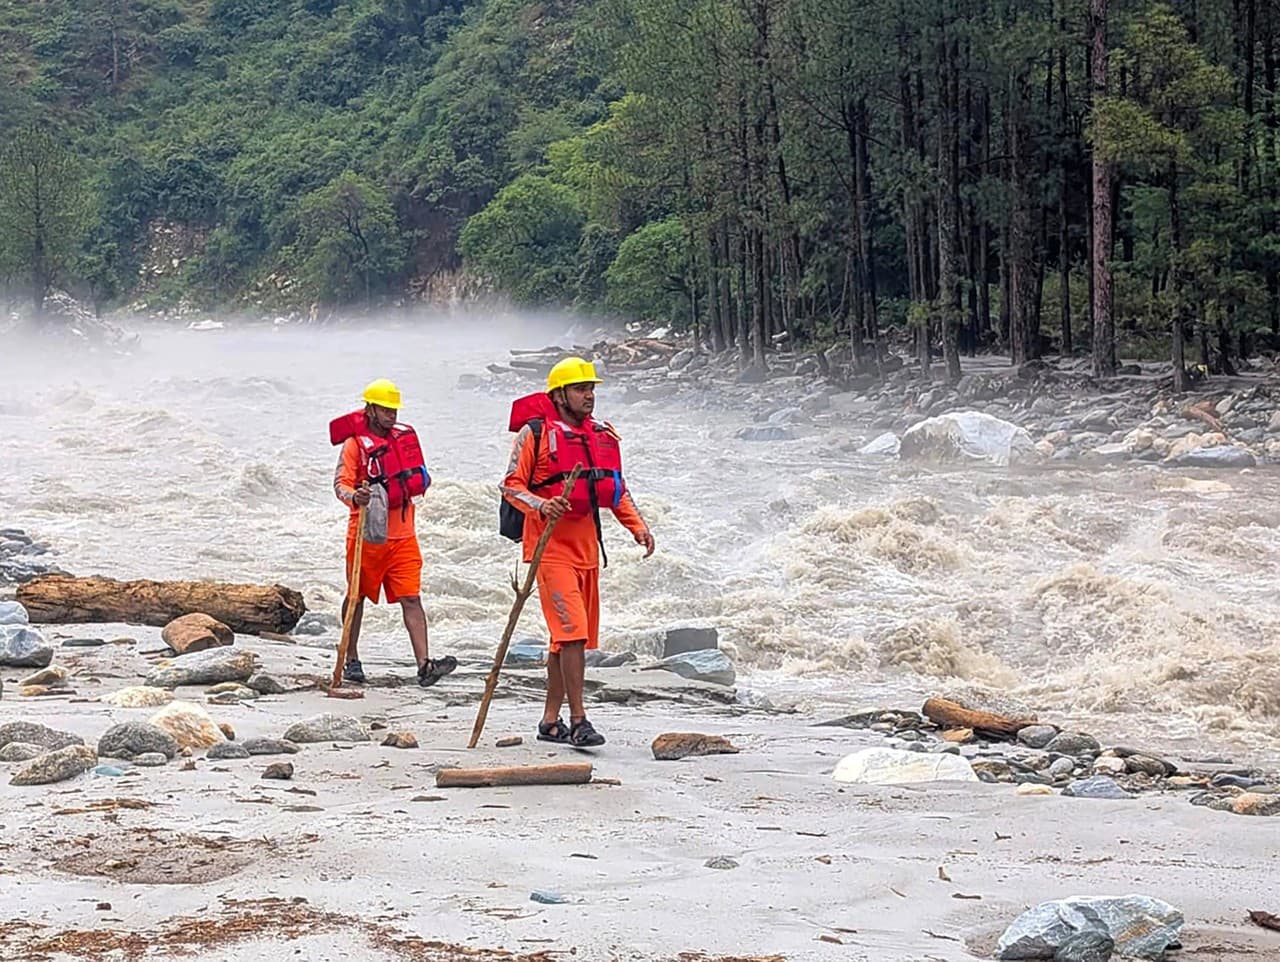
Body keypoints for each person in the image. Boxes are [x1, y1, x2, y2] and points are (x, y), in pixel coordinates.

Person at [501, 356, 655, 747]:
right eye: (581, 389)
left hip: (586, 550)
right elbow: (511, 485)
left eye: (591, 389)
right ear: (559, 395)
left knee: (565, 641)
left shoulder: (601, 435)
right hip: (548, 549)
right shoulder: (534, 433)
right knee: (572, 635)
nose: (589, 396)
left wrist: (638, 527)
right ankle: (580, 719)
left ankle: (550, 721)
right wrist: (540, 505)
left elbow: (615, 489)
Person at [330, 378, 456, 687]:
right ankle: (351, 657)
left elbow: (420, 476)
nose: (392, 415)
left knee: (412, 598)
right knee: (356, 596)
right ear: (371, 409)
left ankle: (425, 665)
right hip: (367, 535)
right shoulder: (355, 444)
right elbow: (340, 484)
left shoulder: (405, 437)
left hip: (404, 536)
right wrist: (354, 498)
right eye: (386, 410)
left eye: (394, 410)